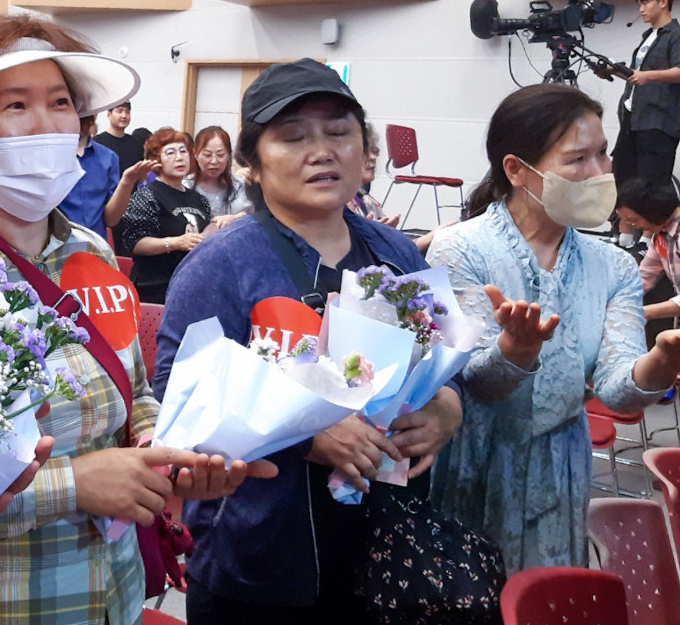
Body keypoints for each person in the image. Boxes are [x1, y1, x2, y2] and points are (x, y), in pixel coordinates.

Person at [0, 15, 275, 625]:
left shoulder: (92, 252)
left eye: (60, 104)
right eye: (15, 104)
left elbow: (133, 390)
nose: (48, 123)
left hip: (112, 594)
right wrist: (72, 484)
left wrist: (161, 450)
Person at [151, 59, 463, 624]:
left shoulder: (396, 252)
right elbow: (177, 396)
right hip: (259, 556)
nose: (322, 152)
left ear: (364, 150)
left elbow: (441, 361)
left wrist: (446, 407)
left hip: (385, 551)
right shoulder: (221, 265)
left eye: (339, 132)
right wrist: (305, 431)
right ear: (251, 163)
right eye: (293, 137)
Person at [427, 83, 680, 572]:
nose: (600, 172)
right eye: (577, 159)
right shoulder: (461, 250)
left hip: (560, 468)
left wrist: (661, 361)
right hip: (476, 463)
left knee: (551, 594)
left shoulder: (614, 266)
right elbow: (471, 382)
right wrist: (515, 351)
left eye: (602, 154)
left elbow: (617, 389)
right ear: (517, 170)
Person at [121, 128, 211, 304]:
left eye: (183, 151)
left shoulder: (199, 199)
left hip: (191, 286)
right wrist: (175, 243)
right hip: (155, 287)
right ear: (156, 160)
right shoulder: (147, 195)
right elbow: (135, 243)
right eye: (170, 153)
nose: (179, 157)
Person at [612, 0, 680, 192]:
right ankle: (624, 217)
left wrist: (647, 76)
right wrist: (613, 71)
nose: (641, 9)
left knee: (651, 187)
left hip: (658, 121)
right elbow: (637, 76)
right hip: (633, 118)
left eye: (645, 3)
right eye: (639, 4)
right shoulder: (648, 37)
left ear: (663, 2)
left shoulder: (676, 34)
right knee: (624, 180)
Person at [58, 113, 155, 241]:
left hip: (96, 243)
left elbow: (111, 220)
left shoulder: (108, 157)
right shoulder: (50, 155)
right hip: (56, 242)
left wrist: (127, 182)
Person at [615, 177, 680, 323]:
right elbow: (645, 275)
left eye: (634, 220)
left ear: (651, 211)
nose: (634, 226)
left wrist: (644, 312)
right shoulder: (661, 236)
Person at [186, 125, 251, 229]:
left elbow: (246, 214)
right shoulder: (185, 186)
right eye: (207, 155)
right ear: (195, 154)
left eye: (220, 155)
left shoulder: (238, 185)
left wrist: (232, 218)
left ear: (228, 155)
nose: (214, 161)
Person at [346, 122, 399, 228]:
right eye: (364, 152)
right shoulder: (340, 206)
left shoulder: (369, 202)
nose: (373, 157)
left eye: (375, 151)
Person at [93, 101, 145, 175]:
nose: (124, 115)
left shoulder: (136, 144)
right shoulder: (96, 143)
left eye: (127, 112)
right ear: (109, 115)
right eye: (119, 111)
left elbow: (142, 174)